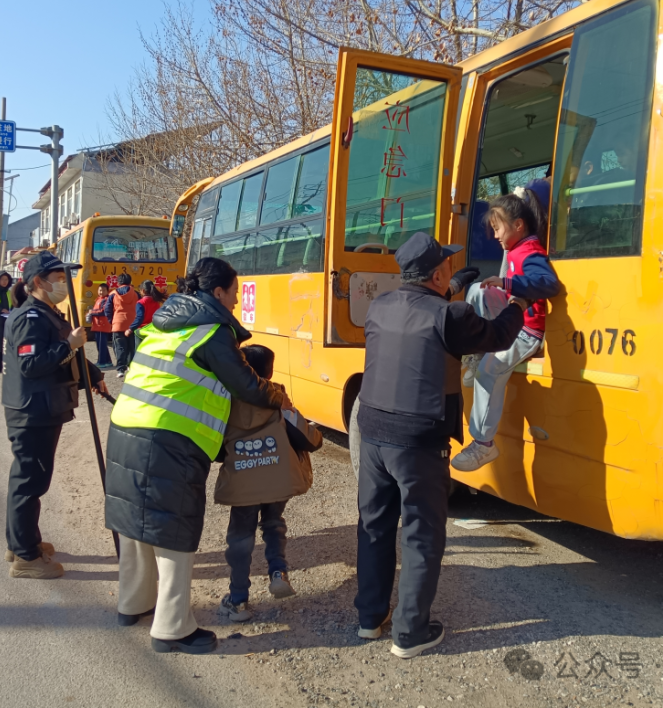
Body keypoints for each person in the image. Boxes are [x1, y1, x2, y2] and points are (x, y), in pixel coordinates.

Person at [104, 257, 292, 655]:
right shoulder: (212, 331)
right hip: (168, 438)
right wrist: (279, 395)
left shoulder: (165, 322)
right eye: (235, 294)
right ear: (218, 292)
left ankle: (132, 604)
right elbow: (249, 387)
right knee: (174, 533)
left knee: (137, 526)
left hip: (126, 424)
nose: (237, 301)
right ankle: (172, 629)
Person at [354, 233, 528, 658]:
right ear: (437, 274)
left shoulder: (380, 306)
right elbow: (496, 335)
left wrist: (452, 292)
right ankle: (410, 633)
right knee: (421, 533)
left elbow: (421, 309)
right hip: (417, 438)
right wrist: (520, 306)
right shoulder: (449, 315)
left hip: (372, 430)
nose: (451, 269)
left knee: (375, 526)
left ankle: (369, 619)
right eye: (447, 266)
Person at [1, 251, 108, 579]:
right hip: (32, 410)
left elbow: (66, 349)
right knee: (30, 481)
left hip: (46, 406)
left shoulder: (49, 313)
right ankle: (25, 558)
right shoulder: (28, 318)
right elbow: (33, 364)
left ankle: (21, 541)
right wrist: (70, 346)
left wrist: (93, 373)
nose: (64, 284)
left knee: (31, 479)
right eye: (59, 279)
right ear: (38, 282)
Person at [452, 189, 560, 472]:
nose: (496, 235)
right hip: (516, 316)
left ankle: (483, 445)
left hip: (528, 331)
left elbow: (548, 284)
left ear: (518, 226)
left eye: (498, 228)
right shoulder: (515, 249)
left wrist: (509, 284)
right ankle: (476, 350)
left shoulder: (531, 251)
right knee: (478, 289)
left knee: (490, 371)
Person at [213, 344, 323, 623]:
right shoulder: (279, 398)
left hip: (243, 481)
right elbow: (311, 440)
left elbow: (214, 447)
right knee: (273, 524)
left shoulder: (227, 400)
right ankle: (278, 571)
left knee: (240, 538)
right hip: (278, 478)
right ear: (271, 371)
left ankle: (238, 600)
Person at [107, 273, 139, 378]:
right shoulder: (136, 294)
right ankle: (131, 366)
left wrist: (112, 321)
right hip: (132, 324)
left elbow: (107, 309)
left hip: (118, 324)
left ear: (118, 282)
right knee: (132, 347)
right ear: (130, 282)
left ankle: (121, 369)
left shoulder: (113, 294)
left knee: (120, 347)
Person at [88, 283, 115, 369]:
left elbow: (103, 311)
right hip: (98, 325)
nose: (101, 292)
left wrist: (91, 312)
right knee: (101, 344)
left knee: (101, 345)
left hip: (102, 325)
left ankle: (102, 361)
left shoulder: (106, 300)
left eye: (103, 290)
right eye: (100, 290)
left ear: (107, 291)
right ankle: (108, 361)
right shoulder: (98, 299)